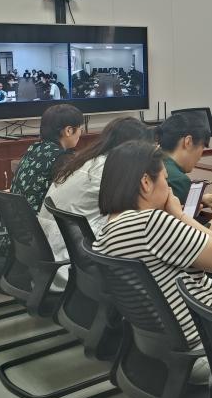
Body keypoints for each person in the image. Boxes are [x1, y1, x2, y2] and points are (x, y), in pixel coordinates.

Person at [92, 141, 212, 383]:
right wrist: (179, 214)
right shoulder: (150, 223)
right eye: (165, 179)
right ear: (146, 182)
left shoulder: (107, 231)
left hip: (189, 329)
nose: (169, 189)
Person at [36, 117, 151, 287]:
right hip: (71, 267)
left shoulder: (87, 161)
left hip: (50, 263)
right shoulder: (108, 171)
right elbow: (139, 215)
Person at [10, 103, 84, 212]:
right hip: (40, 221)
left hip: (16, 220)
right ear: (69, 131)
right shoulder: (61, 158)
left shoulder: (34, 148)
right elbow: (74, 197)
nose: (81, 133)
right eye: (81, 129)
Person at [156, 112, 212, 209]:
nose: (200, 157)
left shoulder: (149, 161)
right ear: (188, 142)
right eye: (202, 147)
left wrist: (200, 199)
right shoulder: (178, 180)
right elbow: (186, 218)